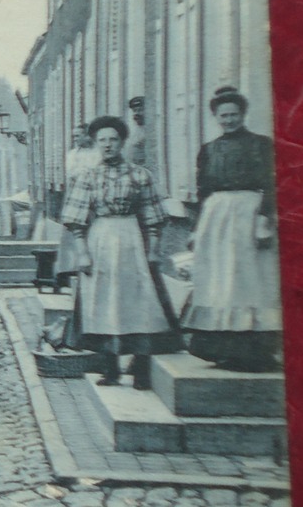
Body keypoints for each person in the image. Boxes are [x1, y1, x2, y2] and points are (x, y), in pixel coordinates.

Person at [62, 115, 183, 389]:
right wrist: (82, 253)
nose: (108, 145)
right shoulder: (87, 177)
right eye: (102, 140)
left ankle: (140, 367)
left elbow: (153, 217)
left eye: (113, 139)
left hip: (132, 241)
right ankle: (110, 367)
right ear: (95, 143)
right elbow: (75, 219)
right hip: (100, 239)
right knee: (103, 301)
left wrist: (154, 251)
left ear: (122, 142)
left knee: (137, 300)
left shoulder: (140, 175)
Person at [184, 86, 282, 372]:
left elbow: (272, 184)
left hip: (249, 216)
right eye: (223, 115)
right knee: (220, 282)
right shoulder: (208, 150)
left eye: (234, 114)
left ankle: (257, 350)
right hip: (217, 220)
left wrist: (264, 219)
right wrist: (197, 227)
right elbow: (203, 191)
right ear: (216, 117)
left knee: (251, 280)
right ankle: (222, 348)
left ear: (243, 114)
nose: (229, 120)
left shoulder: (262, 145)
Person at [55, 128, 101, 285]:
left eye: (78, 135)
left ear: (88, 135)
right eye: (73, 135)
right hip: (75, 196)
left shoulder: (97, 153)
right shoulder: (72, 154)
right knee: (73, 233)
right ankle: (70, 268)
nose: (75, 138)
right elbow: (70, 175)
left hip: (93, 198)